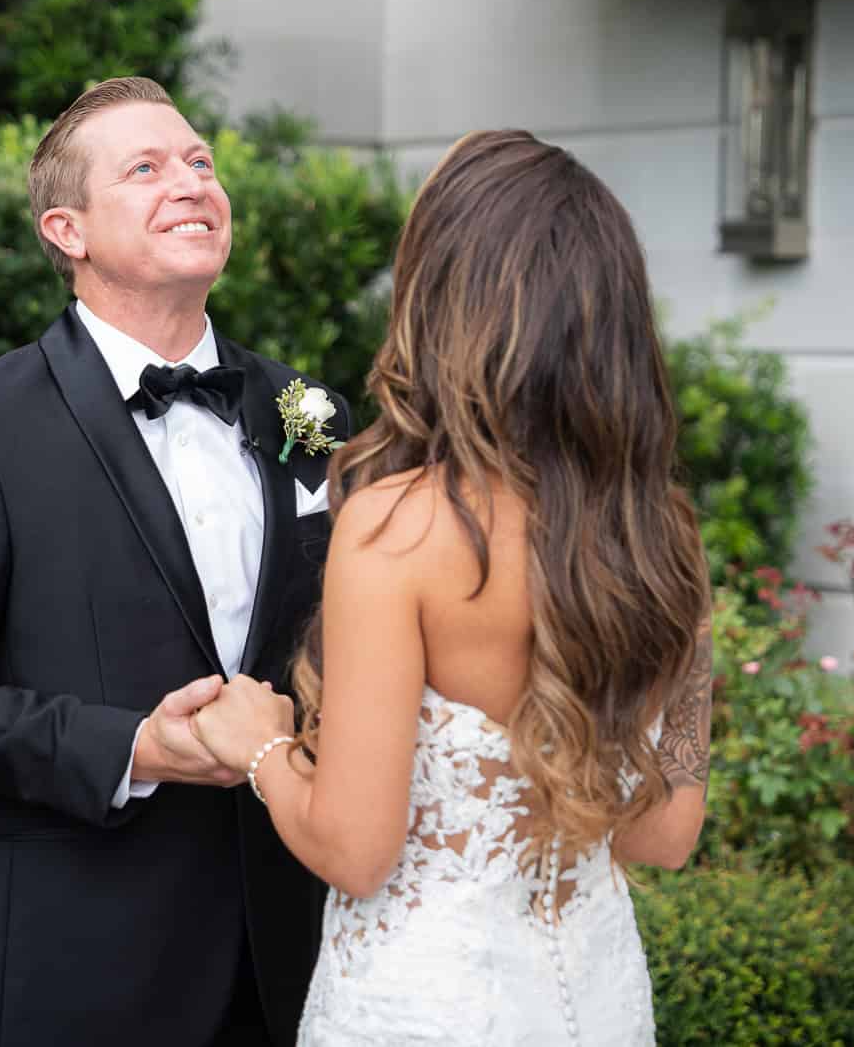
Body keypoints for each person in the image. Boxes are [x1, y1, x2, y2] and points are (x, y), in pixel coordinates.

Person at [191, 130, 715, 1046]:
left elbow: (357, 851)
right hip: (595, 1003)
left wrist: (261, 747)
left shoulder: (398, 529)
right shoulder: (662, 533)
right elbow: (664, 833)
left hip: (427, 1006)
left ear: (442, 301)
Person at [0, 77, 345, 1045]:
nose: (191, 182)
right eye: (146, 169)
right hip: (70, 961)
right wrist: (134, 748)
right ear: (67, 230)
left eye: (200, 162)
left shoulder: (307, 409)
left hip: (285, 956)